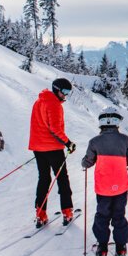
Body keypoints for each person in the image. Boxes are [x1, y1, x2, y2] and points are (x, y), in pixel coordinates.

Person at [82, 106, 128, 256]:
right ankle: (121, 249)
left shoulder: (94, 141)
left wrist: (84, 162)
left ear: (101, 123)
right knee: (119, 216)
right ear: (117, 122)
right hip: (121, 186)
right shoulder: (125, 139)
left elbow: (87, 162)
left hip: (103, 188)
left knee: (102, 216)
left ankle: (103, 249)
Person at [28, 77, 76, 228]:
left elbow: (37, 124)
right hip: (53, 149)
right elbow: (55, 129)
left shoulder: (39, 101)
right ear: (57, 89)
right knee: (62, 179)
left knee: (43, 179)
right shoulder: (54, 104)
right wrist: (68, 143)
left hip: (38, 148)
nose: (66, 95)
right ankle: (67, 211)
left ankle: (40, 214)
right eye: (65, 92)